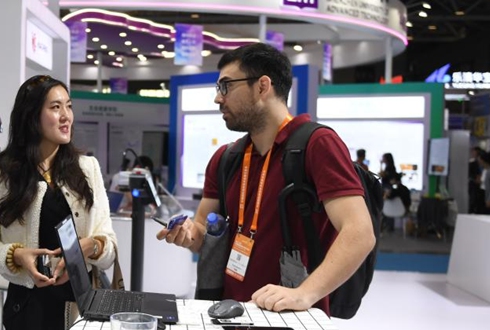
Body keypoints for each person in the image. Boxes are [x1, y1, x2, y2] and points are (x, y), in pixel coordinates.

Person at [156, 43, 374, 315]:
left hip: (291, 320)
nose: (218, 98)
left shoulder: (318, 145)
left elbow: (360, 233)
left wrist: (304, 294)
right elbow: (202, 231)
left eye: (226, 86)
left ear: (262, 86)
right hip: (227, 311)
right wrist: (188, 233)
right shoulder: (226, 158)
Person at [0, 75, 117, 330]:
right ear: (31, 115)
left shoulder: (87, 168)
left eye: (68, 106)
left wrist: (91, 247)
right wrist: (15, 255)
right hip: (29, 310)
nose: (66, 115)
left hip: (80, 307)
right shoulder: (1, 173)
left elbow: (109, 244)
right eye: (55, 107)